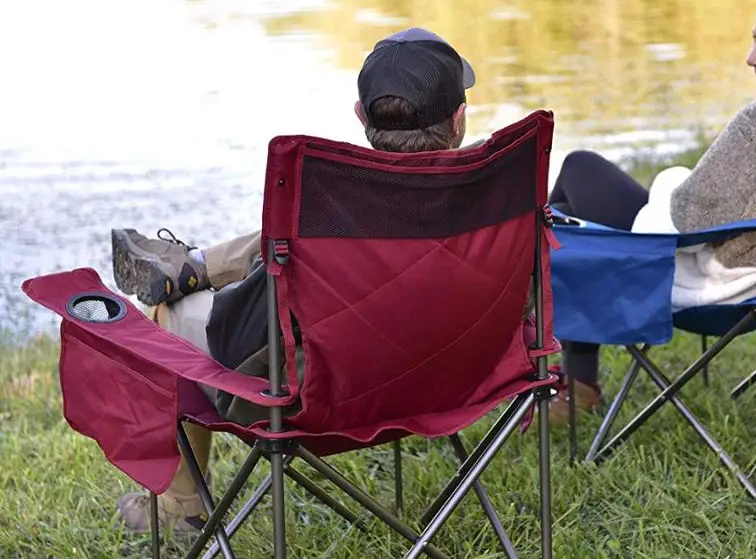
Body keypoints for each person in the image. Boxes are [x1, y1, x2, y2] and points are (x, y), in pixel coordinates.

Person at [110, 27, 482, 534]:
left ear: (359, 115)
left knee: (174, 313)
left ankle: (181, 508)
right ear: (458, 121)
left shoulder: (330, 205)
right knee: (297, 235)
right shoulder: (498, 190)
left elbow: (260, 314)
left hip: (329, 393)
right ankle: (189, 263)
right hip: (463, 376)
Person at [547, 0, 756, 423]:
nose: (752, 57)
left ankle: (566, 374)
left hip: (723, 281)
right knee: (565, 213)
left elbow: (684, 221)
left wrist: (673, 187)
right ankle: (575, 377)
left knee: (573, 184)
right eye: (755, 40)